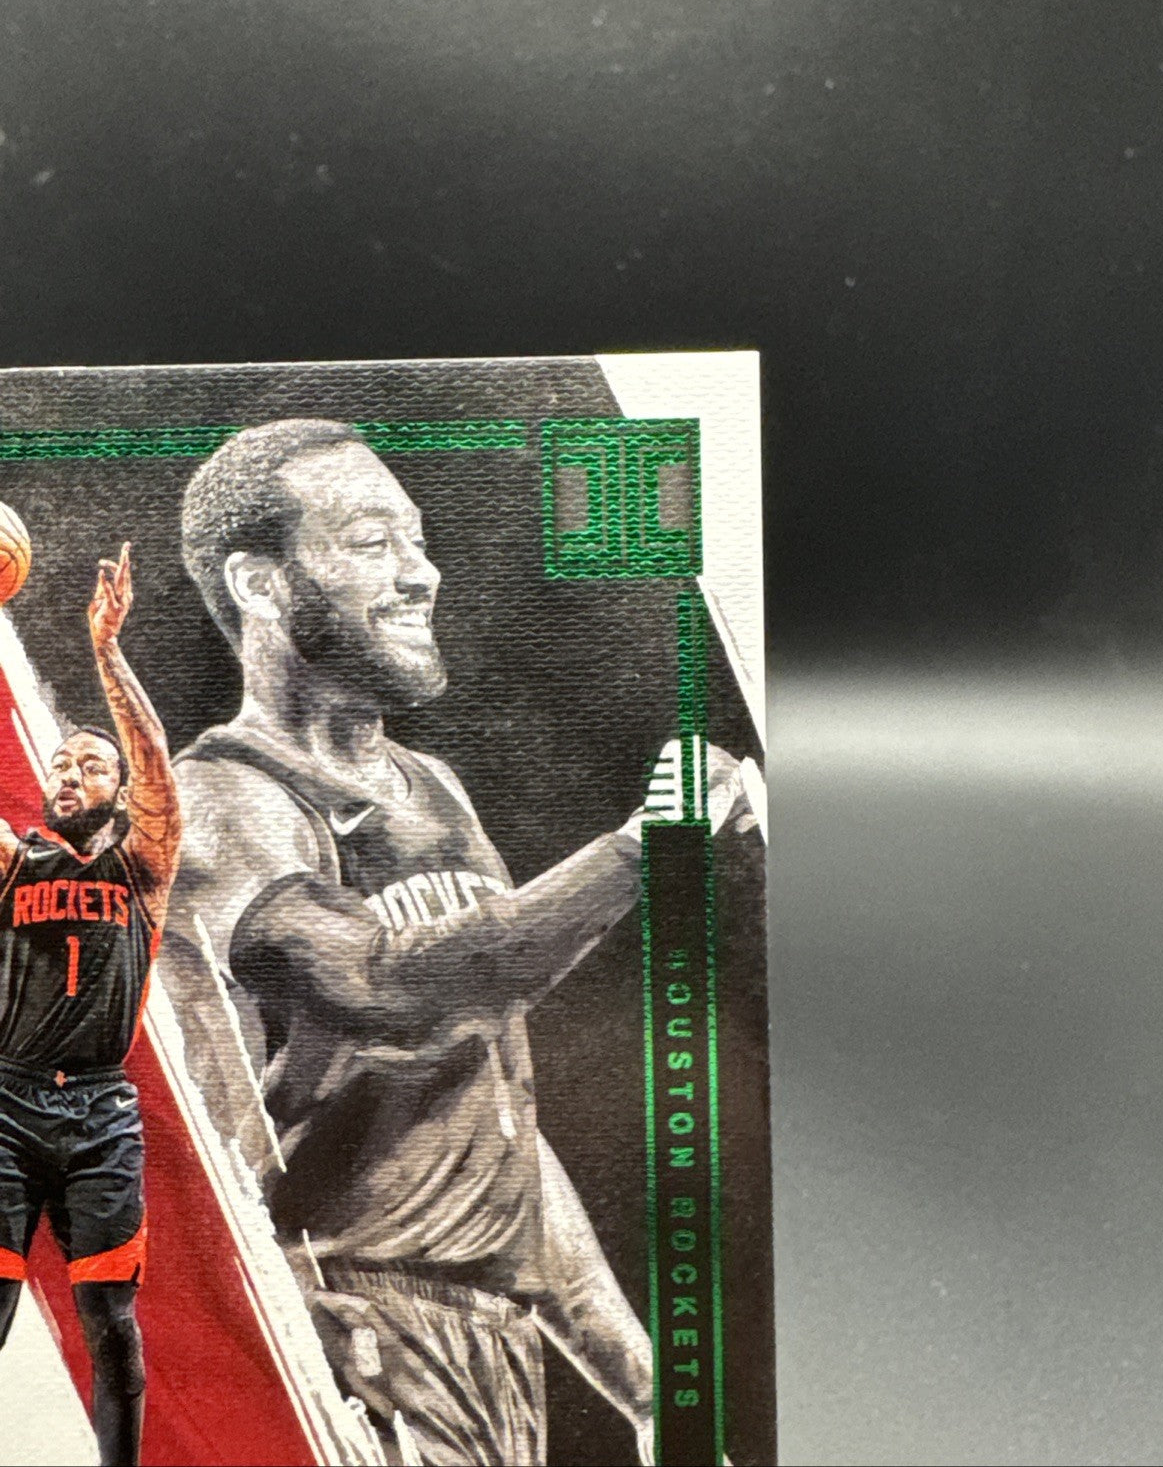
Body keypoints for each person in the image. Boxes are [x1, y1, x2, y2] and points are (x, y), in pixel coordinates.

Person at [160, 419, 750, 1467]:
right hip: (336, 1337)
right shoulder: (214, 799)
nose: (420, 573)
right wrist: (641, 850)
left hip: (489, 1346)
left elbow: (487, 1113)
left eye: (419, 540)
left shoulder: (431, 789)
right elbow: (384, 986)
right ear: (259, 583)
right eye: (371, 542)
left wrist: (642, 1383)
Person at [0, 543, 181, 1467]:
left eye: (90, 766)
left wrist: (106, 650)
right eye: (61, 763)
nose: (69, 773)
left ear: (117, 794)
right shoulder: (14, 860)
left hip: (101, 1113)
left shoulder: (141, 866)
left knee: (109, 1320)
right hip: (6, 1101)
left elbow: (155, 766)